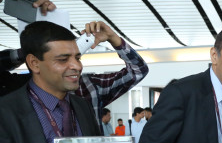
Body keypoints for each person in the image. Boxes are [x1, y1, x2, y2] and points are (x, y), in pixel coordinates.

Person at [0, 20, 149, 125]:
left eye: (77, 57)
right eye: (63, 59)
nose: (77, 66)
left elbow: (138, 71)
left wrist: (114, 39)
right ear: (34, 63)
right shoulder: (15, 100)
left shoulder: (89, 87)